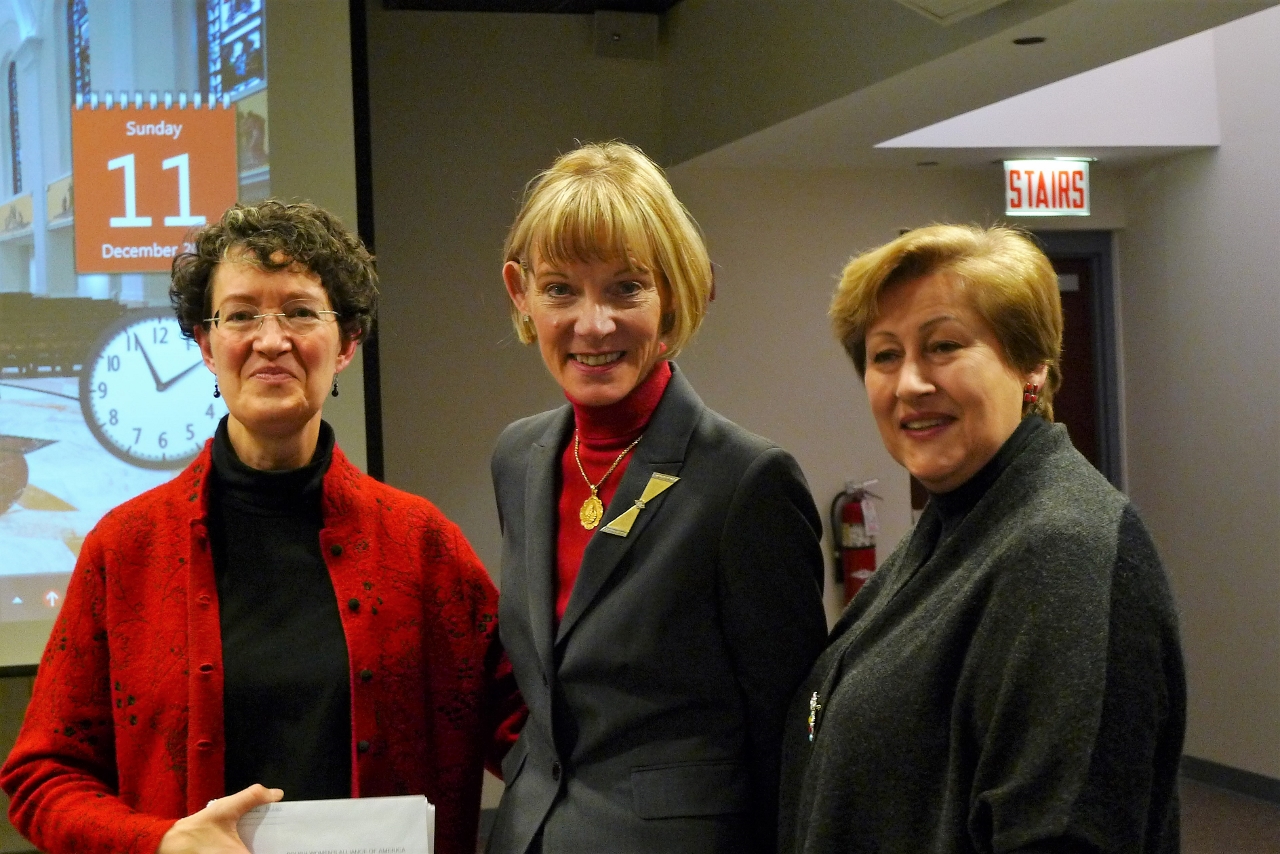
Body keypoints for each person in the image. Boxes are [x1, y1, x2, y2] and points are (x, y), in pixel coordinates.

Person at [1, 200, 523, 854]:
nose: (270, 341)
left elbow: (531, 739)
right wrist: (158, 844)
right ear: (204, 342)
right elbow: (41, 775)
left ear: (348, 344)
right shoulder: (124, 548)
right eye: (242, 314)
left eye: (301, 312)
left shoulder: (421, 547)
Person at [778, 224, 1186, 854]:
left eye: (943, 346)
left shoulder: (1063, 551)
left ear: (1030, 367)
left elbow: (1063, 831)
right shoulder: (957, 526)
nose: (910, 382)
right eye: (885, 355)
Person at [487, 141, 827, 854]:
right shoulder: (518, 458)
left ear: (675, 291)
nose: (593, 323)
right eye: (560, 290)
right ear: (519, 292)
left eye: (625, 288)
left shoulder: (747, 482)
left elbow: (793, 735)